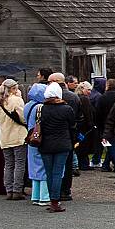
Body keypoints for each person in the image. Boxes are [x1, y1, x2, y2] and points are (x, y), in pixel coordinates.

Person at [37, 82, 76, 212]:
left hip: (45, 144)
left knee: (49, 173)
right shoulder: (67, 109)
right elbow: (72, 126)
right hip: (62, 143)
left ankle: (52, 200)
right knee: (58, 173)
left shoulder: (41, 108)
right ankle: (55, 200)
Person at [0, 79, 27, 200]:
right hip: (18, 135)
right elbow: (23, 118)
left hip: (4, 135)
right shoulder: (16, 100)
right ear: (13, 89)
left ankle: (9, 189)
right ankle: (17, 190)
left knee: (8, 164)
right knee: (19, 163)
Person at [23, 83, 49, 206]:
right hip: (40, 138)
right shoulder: (41, 107)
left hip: (30, 138)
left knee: (34, 167)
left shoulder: (27, 106)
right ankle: (44, 196)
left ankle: (35, 194)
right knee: (43, 166)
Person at [94, 80, 115, 171]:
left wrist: (98, 124)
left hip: (105, 126)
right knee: (113, 145)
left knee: (110, 145)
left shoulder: (102, 98)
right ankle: (106, 164)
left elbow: (97, 113)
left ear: (108, 86)